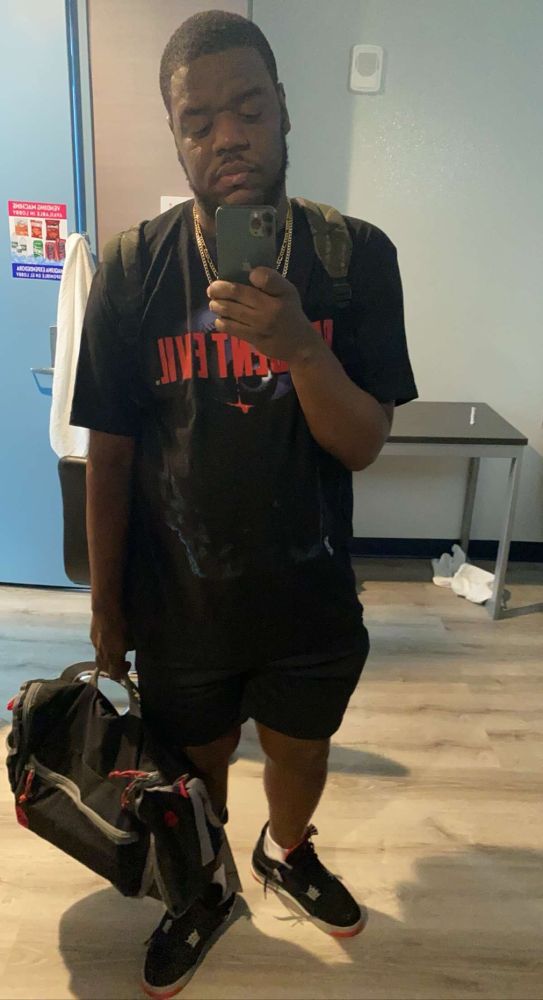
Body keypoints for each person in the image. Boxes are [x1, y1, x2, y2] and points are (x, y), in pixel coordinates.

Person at [71, 10, 418, 998]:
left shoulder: (355, 259)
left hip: (311, 595)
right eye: (199, 121)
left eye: (248, 109)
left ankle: (285, 849)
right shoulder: (133, 270)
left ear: (284, 111)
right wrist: (106, 605)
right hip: (180, 603)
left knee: (302, 750)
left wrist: (302, 347)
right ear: (176, 136)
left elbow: (362, 441)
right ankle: (207, 883)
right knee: (198, 766)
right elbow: (110, 452)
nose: (227, 136)